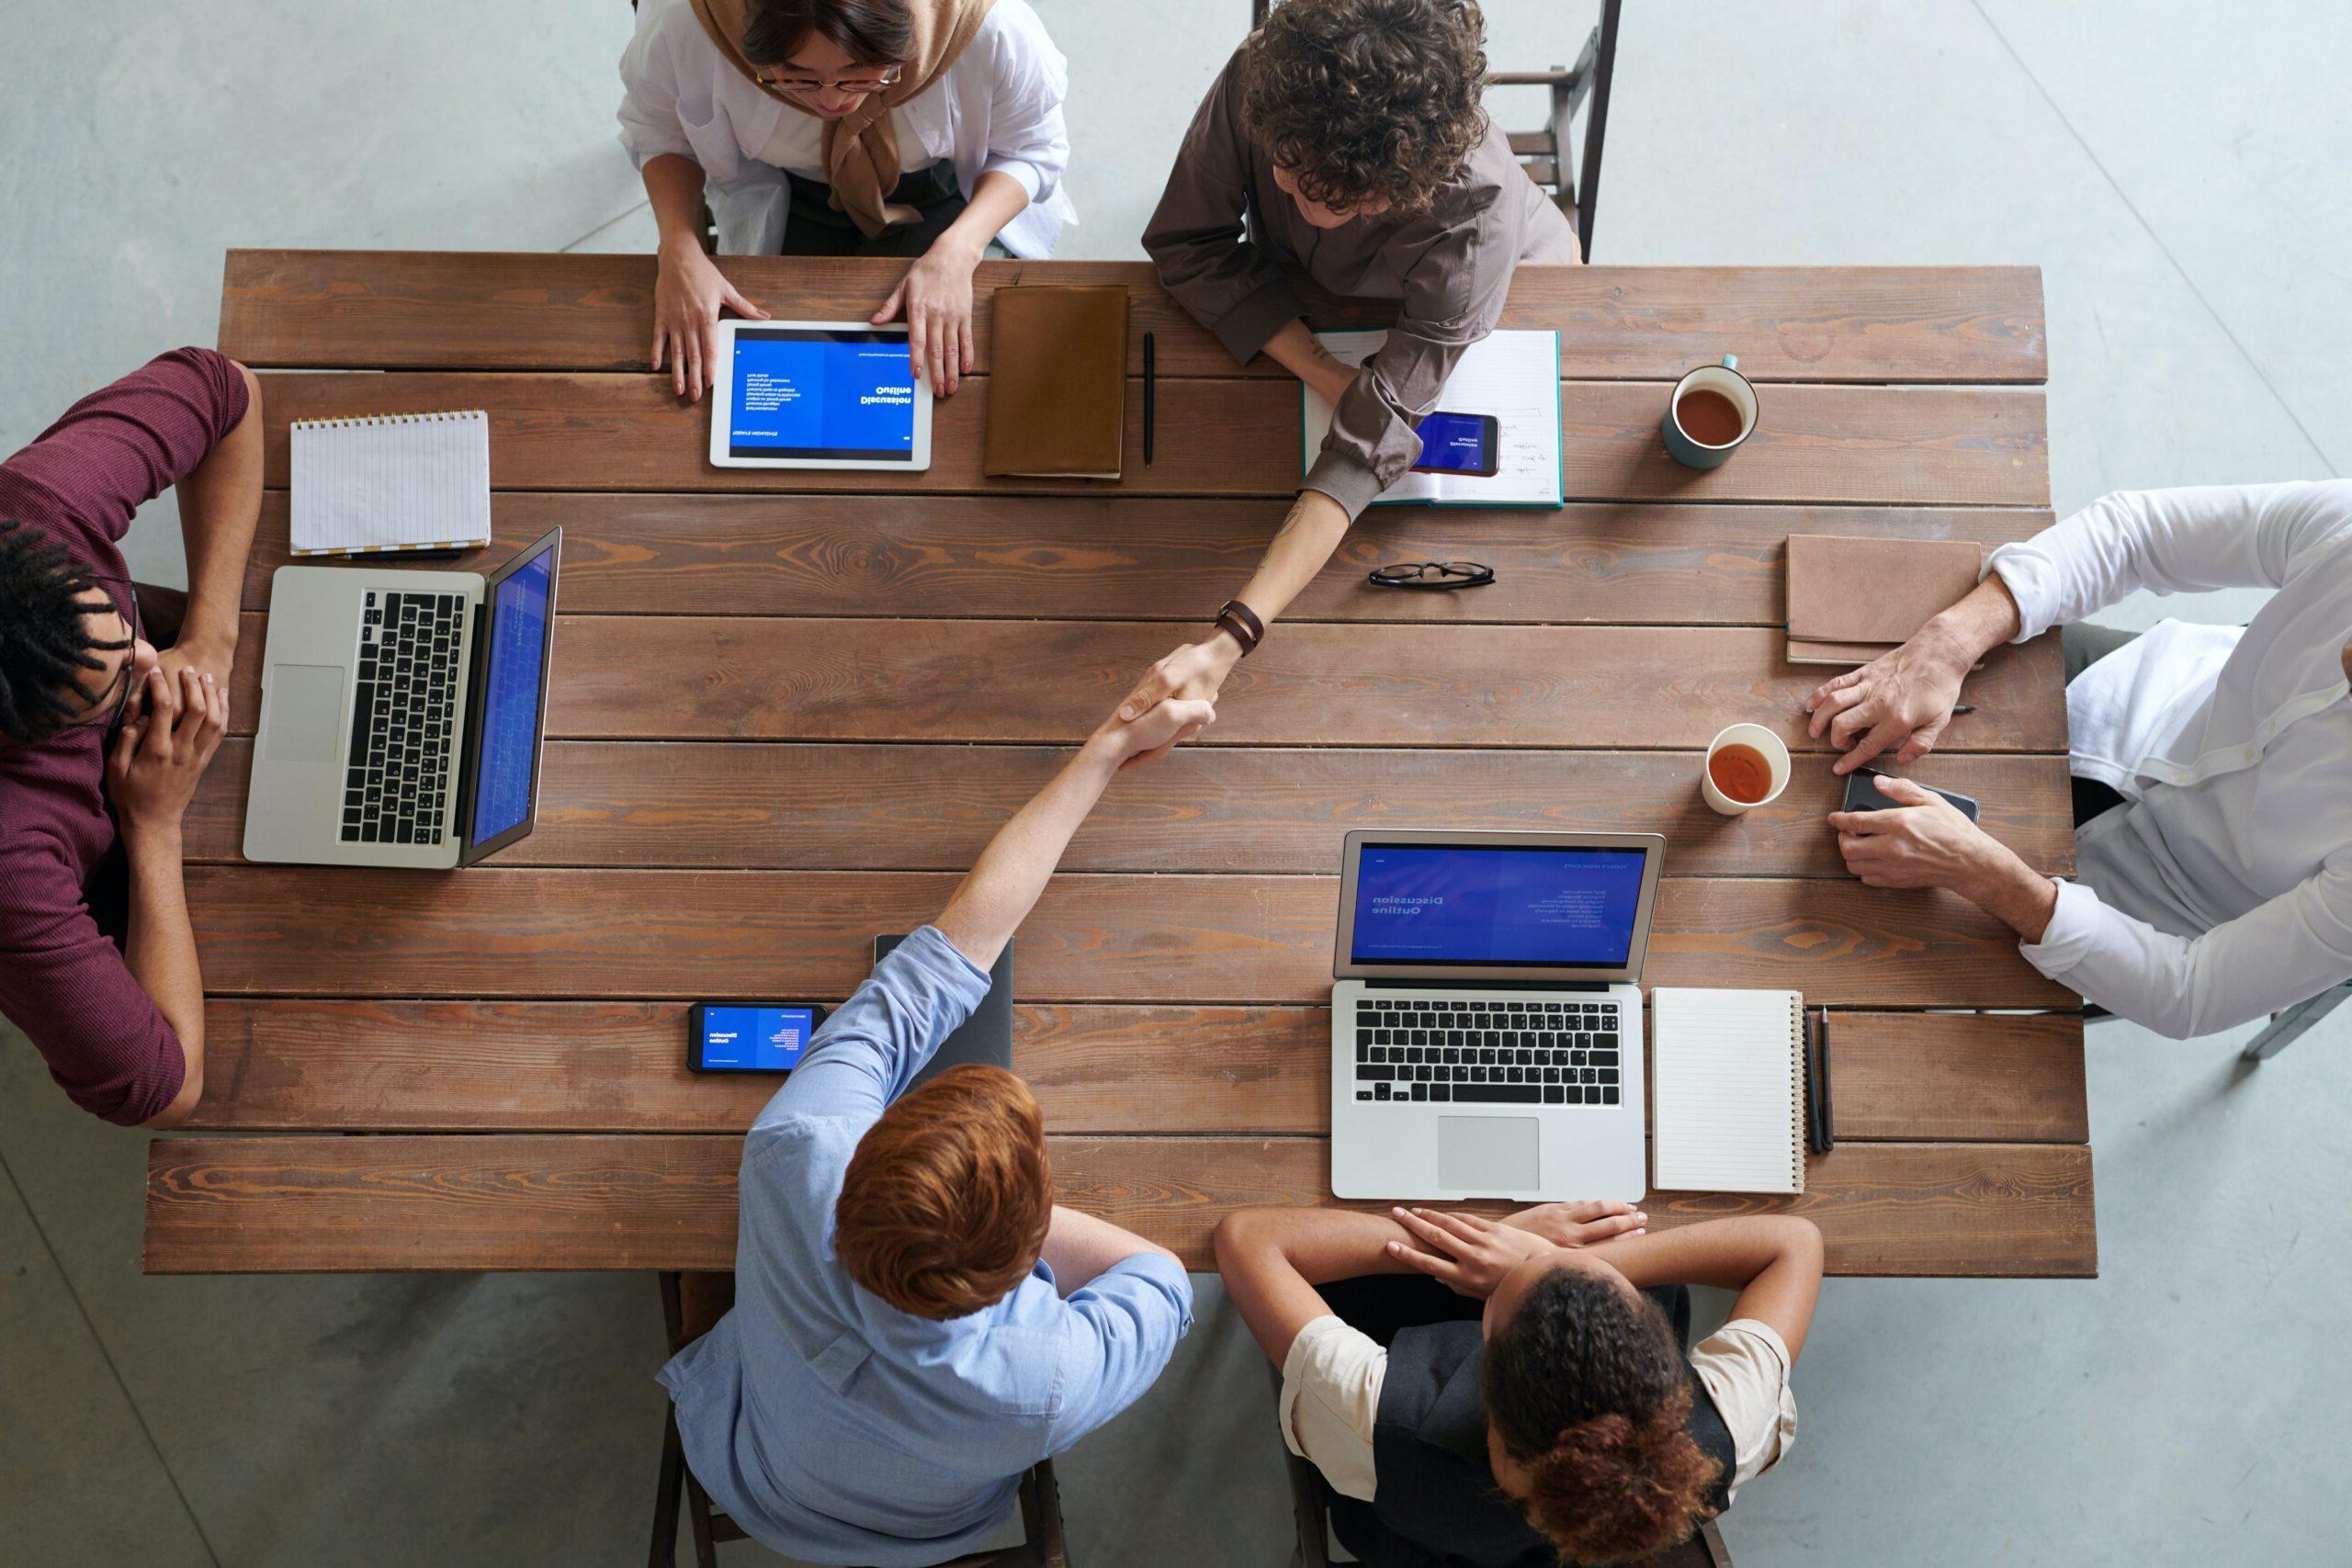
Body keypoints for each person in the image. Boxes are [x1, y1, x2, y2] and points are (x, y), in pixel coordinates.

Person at [659, 690, 1217, 1565]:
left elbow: (942, 961)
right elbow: (1161, 1279)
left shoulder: (801, 1148)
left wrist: (1107, 745)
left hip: (753, 1470)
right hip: (931, 1529)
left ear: (867, 1153)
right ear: (1029, 1258)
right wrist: (1109, 745)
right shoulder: (1047, 1379)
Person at [1125, 0, 1578, 752]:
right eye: (1282, 165)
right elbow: (1187, 241)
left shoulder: (1475, 222)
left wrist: (1229, 640)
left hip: (1508, 288)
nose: (1280, 188)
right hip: (1323, 304)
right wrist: (1321, 369)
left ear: (1398, 192)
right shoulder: (1275, 79)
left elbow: (1365, 446)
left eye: (1315, 196)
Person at [1805, 479, 2352, 1040]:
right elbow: (2138, 534)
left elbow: (2192, 992)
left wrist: (1981, 873)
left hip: (2140, 913)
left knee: (1877, 983)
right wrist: (1950, 643)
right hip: (2128, 690)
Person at [1216, 1202, 1820, 1566]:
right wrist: (1541, 1257)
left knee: (1357, 1293)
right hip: (1576, 1547)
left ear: (1483, 1369)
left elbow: (1245, 1237)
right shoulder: (1723, 1433)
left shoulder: (1374, 1416)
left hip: (1414, 1537)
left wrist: (1472, 1241)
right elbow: (1795, 1242)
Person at [0, 348, 260, 1127]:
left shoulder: (37, 505)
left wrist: (210, 640)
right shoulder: (11, 858)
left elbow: (228, 388)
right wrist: (152, 823)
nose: (150, 660)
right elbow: (165, 1089)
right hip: (126, 840)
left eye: (122, 632)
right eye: (113, 686)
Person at [618, 0, 1074, 400]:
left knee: (920, 367)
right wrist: (678, 245)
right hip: (788, 188)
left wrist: (959, 250)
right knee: (774, 362)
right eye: (798, 81)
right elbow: (663, 134)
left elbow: (1031, 149)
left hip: (938, 190)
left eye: (860, 78)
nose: (833, 102)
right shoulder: (687, 22)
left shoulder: (991, 28)